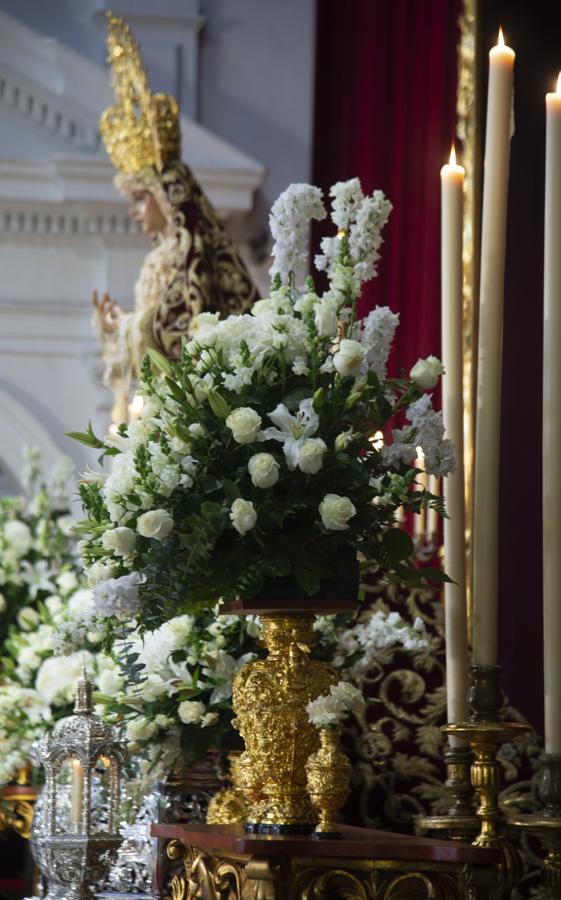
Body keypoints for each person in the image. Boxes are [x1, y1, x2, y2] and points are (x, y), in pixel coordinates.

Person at [93, 14, 258, 423]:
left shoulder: (193, 253)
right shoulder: (158, 258)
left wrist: (128, 325)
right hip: (163, 409)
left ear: (167, 199)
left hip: (200, 411)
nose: (133, 211)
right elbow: (153, 342)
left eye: (139, 199)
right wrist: (114, 330)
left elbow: (185, 327)